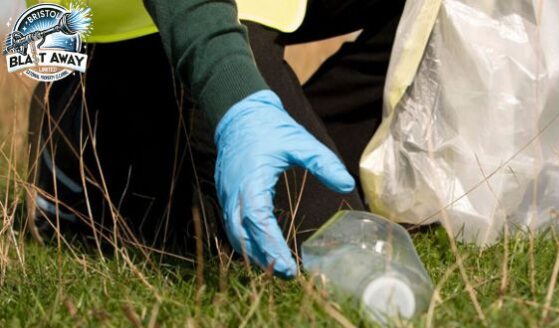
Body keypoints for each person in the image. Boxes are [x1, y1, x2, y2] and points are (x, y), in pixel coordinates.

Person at [28, 0, 405, 278]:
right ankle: (79, 144)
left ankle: (299, 133)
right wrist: (235, 98)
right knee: (311, 250)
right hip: (140, 24)